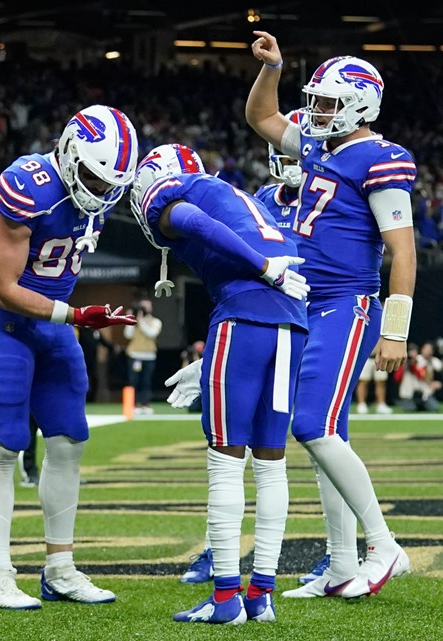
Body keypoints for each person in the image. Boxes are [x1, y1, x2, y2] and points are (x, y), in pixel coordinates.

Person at [245, 34, 415, 599]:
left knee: (311, 424)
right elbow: (261, 114)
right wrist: (272, 68)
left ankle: (382, 542)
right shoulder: (320, 146)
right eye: (314, 100)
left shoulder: (380, 157)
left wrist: (396, 329)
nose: (315, 112)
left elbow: (403, 250)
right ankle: (341, 564)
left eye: (327, 102)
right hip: (306, 302)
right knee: (327, 435)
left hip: (348, 303)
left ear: (361, 104)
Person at [0, 105, 140, 609]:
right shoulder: (28, 183)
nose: (99, 190)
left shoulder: (100, 190)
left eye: (110, 182)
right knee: (7, 444)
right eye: (91, 175)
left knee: (68, 441)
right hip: (7, 321)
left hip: (56, 319)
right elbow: (1, 289)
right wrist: (73, 315)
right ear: (68, 151)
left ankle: (60, 568)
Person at [132, 143, 309, 625]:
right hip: (291, 320)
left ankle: (226, 598)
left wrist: (260, 267)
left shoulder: (177, 191)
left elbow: (191, 221)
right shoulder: (237, 195)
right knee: (272, 460)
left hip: (247, 311)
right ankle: (262, 594)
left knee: (225, 460)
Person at [253, 113, 304, 235]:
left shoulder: (328, 201)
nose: (291, 158)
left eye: (298, 149)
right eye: (285, 148)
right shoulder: (262, 196)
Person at [124, 299, 163, 414]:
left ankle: (145, 404)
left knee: (146, 381)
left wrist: (141, 322)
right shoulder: (133, 321)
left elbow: (152, 334)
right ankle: (134, 404)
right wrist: (130, 319)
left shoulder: (156, 322)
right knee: (133, 380)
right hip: (135, 354)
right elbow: (128, 335)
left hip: (149, 355)